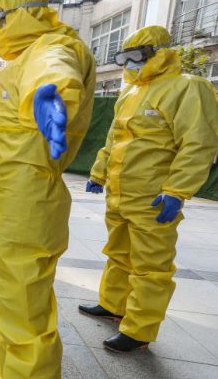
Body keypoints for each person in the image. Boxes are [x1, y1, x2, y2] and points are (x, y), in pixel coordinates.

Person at [0, 0, 96, 379]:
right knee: (10, 301)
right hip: (11, 194)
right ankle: (2, 372)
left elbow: (52, 71)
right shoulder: (27, 54)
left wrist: (50, 94)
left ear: (19, 14)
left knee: (24, 309)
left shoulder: (51, 47)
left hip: (26, 197)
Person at [80, 25, 218, 353]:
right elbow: (115, 139)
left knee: (151, 265)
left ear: (159, 53)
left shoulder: (187, 87)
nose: (128, 65)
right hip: (121, 193)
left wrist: (177, 190)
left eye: (135, 57)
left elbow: (198, 142)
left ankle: (139, 329)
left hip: (154, 196)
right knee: (118, 253)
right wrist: (99, 173)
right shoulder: (130, 93)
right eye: (123, 58)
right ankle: (113, 304)